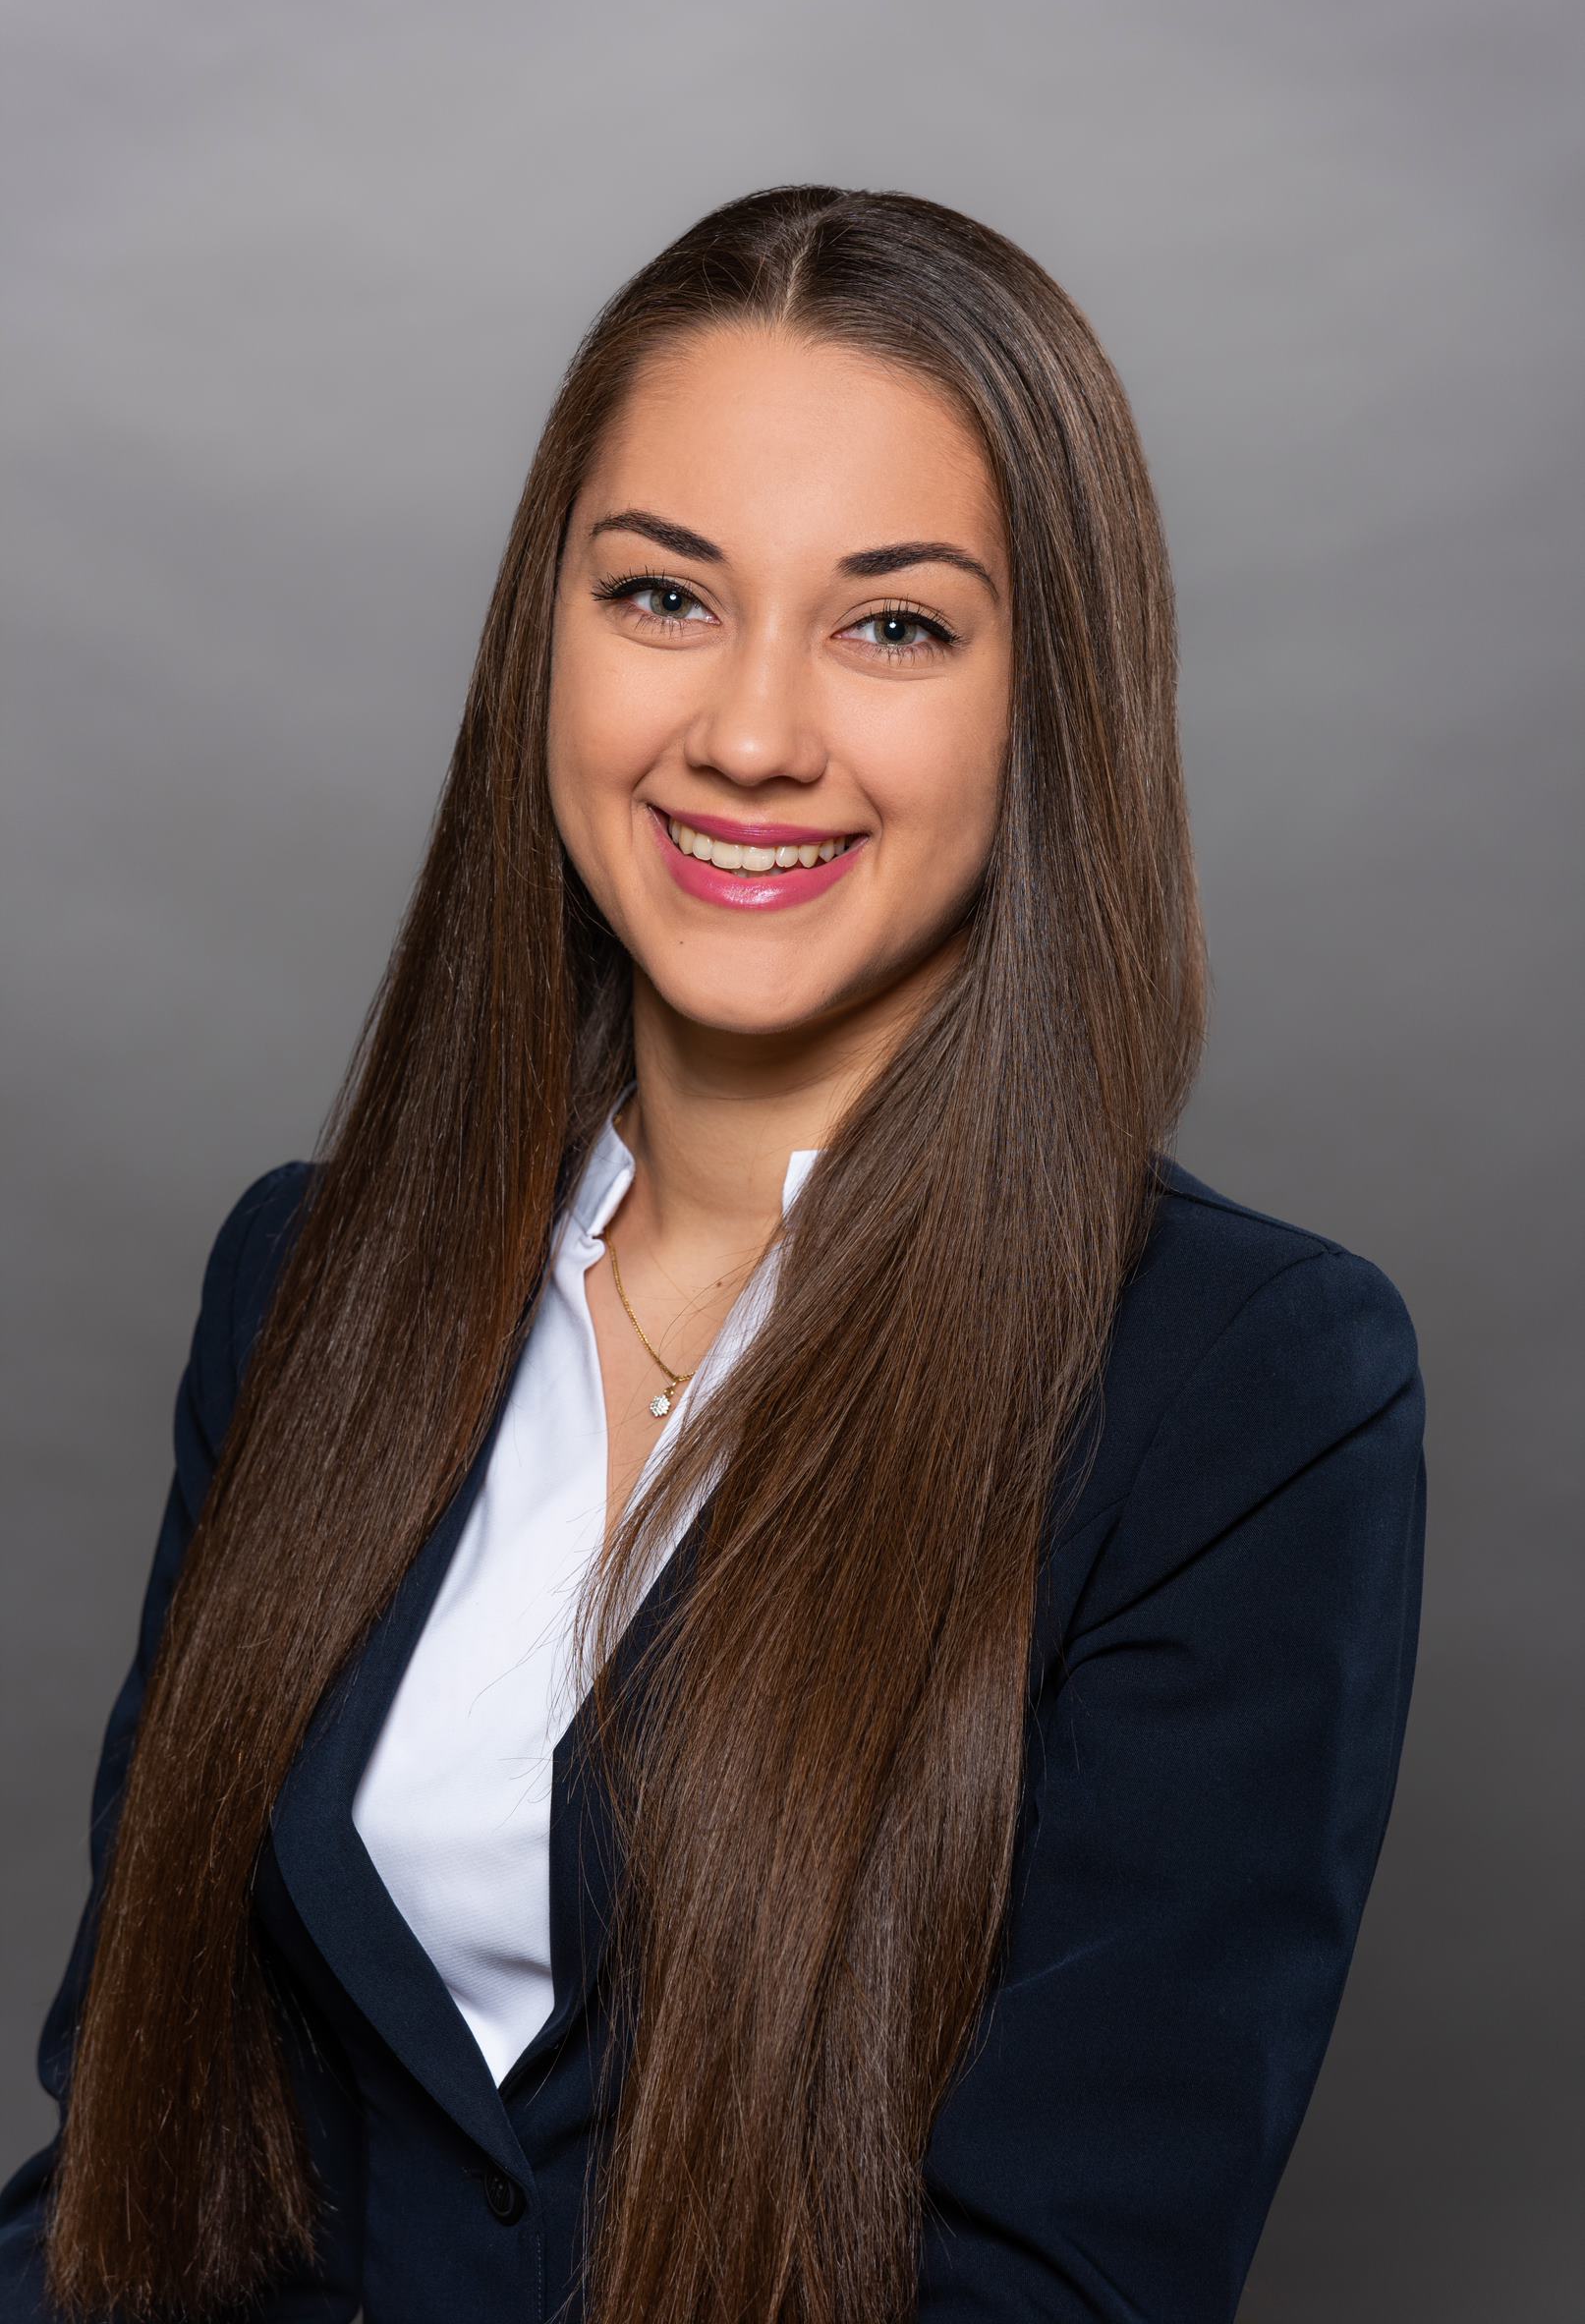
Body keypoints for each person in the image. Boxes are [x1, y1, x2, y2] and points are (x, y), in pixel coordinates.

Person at [1, 184, 1427, 2324]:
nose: (751, 734)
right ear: (546, 635)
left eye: (893, 626)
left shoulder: (1244, 1389)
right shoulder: (306, 1281)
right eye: (665, 594)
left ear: (1048, 699)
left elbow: (1060, 2277)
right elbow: (138, 2162)